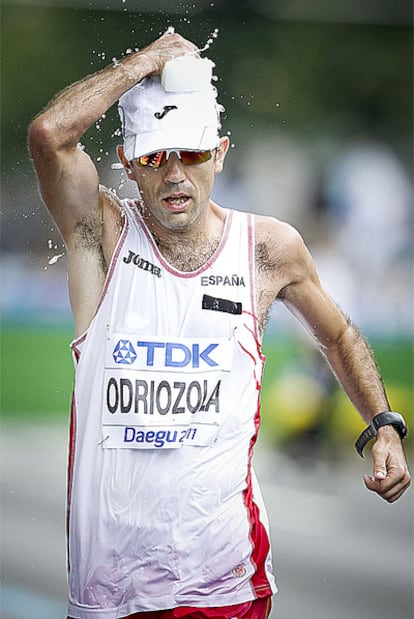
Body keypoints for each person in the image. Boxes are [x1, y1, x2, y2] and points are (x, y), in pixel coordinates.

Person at [28, 30, 410, 619]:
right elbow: (51, 135)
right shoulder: (100, 237)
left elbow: (337, 335)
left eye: (192, 152)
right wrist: (147, 62)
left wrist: (383, 425)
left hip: (225, 585)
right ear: (129, 164)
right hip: (109, 592)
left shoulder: (267, 249)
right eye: (155, 156)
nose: (175, 173)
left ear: (222, 152)